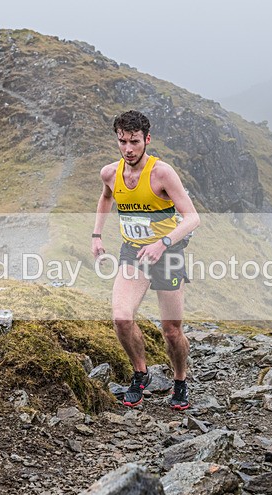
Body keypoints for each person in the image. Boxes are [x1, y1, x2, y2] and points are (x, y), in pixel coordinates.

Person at [92, 110, 200, 410]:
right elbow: (105, 197)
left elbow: (192, 218)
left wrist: (162, 243)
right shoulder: (110, 173)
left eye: (135, 142)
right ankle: (141, 374)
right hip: (133, 253)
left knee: (171, 331)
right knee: (121, 318)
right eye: (122, 141)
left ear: (147, 140)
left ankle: (180, 380)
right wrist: (96, 235)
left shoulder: (162, 173)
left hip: (169, 254)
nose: (128, 149)